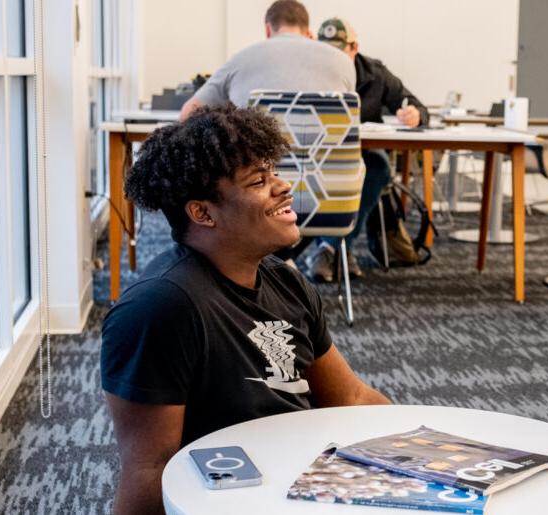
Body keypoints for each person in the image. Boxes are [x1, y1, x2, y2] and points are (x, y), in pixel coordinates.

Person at [101, 105, 390, 515]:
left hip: (306, 480)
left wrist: (420, 449)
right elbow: (150, 467)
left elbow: (351, 397)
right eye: (259, 181)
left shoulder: (285, 281)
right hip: (235, 499)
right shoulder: (159, 309)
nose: (283, 187)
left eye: (273, 173)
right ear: (202, 213)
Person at [303, 17, 430, 282]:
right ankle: (338, 249)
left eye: (339, 51)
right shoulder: (308, 70)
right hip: (317, 155)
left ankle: (330, 248)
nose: (333, 58)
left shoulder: (375, 72)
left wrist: (414, 114)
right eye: (327, 51)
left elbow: (416, 104)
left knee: (379, 167)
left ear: (354, 47)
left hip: (361, 155)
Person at [177, 0, 354, 121]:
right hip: (328, 174)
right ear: (307, 30)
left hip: (258, 174)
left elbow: (187, 114)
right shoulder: (343, 61)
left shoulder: (241, 59)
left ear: (268, 29)